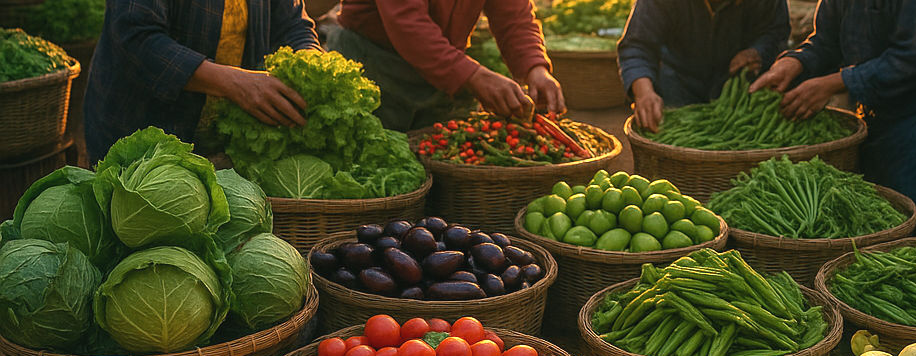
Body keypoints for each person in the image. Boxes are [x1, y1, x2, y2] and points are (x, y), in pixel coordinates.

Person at [751, 0, 916, 237]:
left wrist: (836, 83)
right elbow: (826, 40)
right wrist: (795, 62)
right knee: (890, 212)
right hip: (889, 103)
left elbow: (914, 59)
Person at [85, 0, 321, 161]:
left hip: (228, 143)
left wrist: (310, 64)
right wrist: (234, 84)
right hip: (144, 136)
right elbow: (136, 39)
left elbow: (294, 25)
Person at [318, 1, 565, 131]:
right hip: (372, 64)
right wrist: (474, 75)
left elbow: (515, 17)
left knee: (438, 176)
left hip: (441, 63)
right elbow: (408, 24)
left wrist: (535, 68)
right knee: (370, 170)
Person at [618, 0, 791, 131]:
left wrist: (758, 51)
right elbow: (638, 44)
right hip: (678, 80)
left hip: (738, 91)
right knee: (668, 135)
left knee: (738, 138)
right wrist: (644, 92)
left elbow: (776, 31)